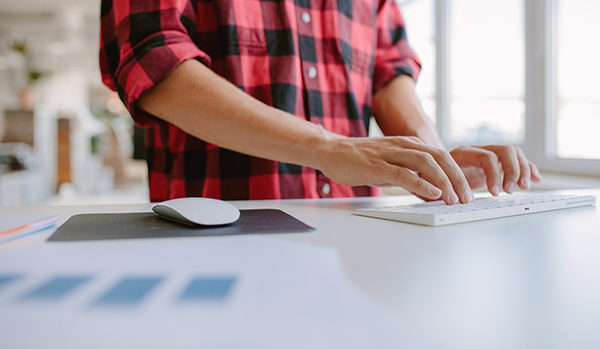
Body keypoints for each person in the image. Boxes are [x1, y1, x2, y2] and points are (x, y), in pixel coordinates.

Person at [100, 0, 541, 205]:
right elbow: (153, 61)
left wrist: (436, 161)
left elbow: (389, 74)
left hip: (358, 242)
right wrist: (329, 148)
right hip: (220, 235)